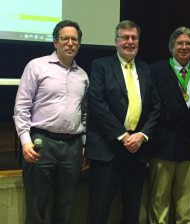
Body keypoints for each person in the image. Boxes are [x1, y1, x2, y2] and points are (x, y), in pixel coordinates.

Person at [85, 20, 161, 224]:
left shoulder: (147, 70)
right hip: (107, 149)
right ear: (116, 41)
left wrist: (142, 135)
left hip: (137, 151)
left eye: (134, 38)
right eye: (125, 37)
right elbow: (97, 104)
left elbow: (156, 107)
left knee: (132, 211)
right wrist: (122, 135)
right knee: (99, 211)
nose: (130, 42)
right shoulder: (101, 66)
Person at [13, 20, 88, 224]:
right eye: (65, 39)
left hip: (72, 147)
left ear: (79, 44)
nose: (70, 43)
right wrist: (25, 141)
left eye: (74, 39)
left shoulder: (82, 76)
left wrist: (82, 145)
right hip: (41, 144)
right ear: (55, 42)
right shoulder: (37, 66)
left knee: (66, 205)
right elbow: (22, 107)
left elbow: (83, 114)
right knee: (37, 206)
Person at [148, 26, 190, 224]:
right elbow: (151, 107)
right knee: (159, 200)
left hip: (188, 145)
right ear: (171, 46)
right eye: (180, 43)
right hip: (162, 145)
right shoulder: (156, 70)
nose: (184, 47)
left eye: (188, 43)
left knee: (184, 202)